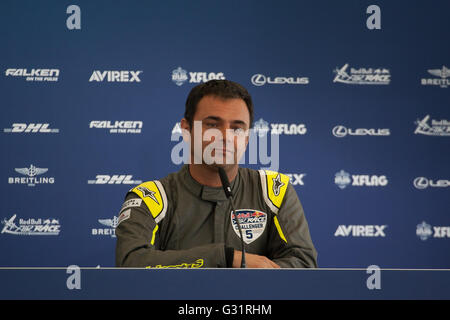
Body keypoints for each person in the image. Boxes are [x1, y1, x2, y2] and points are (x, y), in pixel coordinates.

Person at [115, 80, 317, 268]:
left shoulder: (274, 190)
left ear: (247, 138)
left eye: (237, 128)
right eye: (212, 125)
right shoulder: (150, 198)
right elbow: (131, 262)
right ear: (186, 130)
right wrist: (226, 258)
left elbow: (303, 264)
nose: (225, 137)